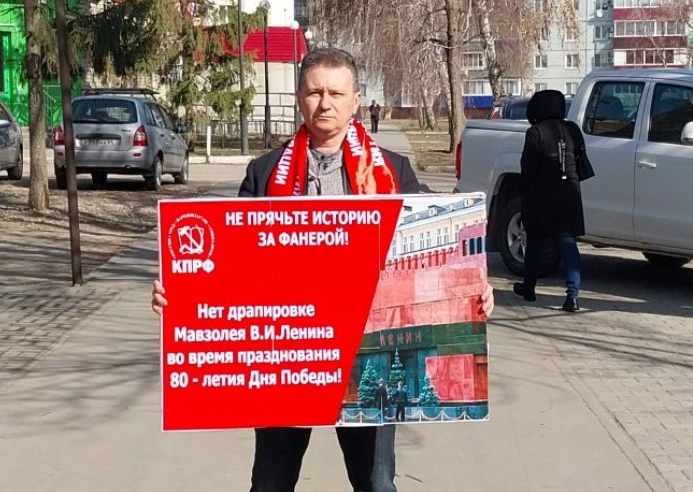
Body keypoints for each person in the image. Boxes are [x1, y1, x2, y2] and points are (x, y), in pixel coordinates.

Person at [152, 47, 496, 492]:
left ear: (356, 100)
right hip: (287, 357)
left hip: (368, 352)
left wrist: (471, 287)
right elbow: (231, 268)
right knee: (271, 483)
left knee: (376, 483)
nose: (325, 103)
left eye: (336, 93)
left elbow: (440, 249)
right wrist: (183, 294)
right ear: (300, 97)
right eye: (315, 92)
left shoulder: (393, 172)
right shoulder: (264, 174)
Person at [512, 89, 594, 313]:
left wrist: (523, 188)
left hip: (541, 194)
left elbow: (528, 167)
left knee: (535, 242)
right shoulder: (572, 129)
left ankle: (529, 288)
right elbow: (580, 160)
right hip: (569, 194)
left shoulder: (535, 132)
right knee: (568, 244)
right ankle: (572, 296)